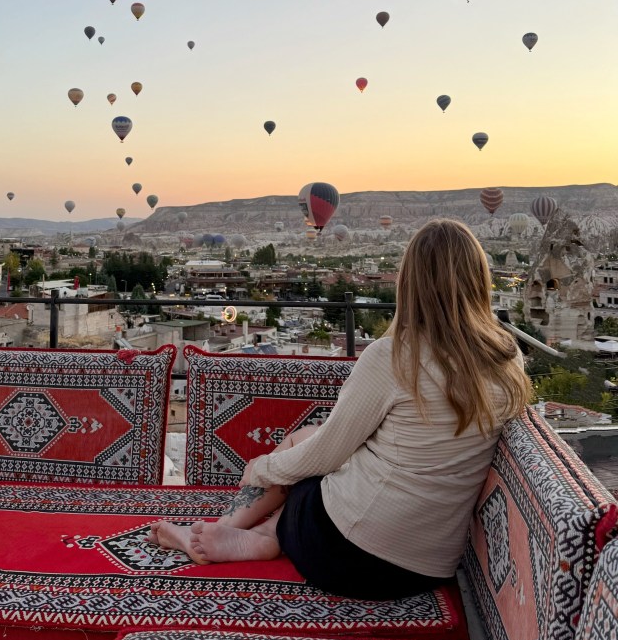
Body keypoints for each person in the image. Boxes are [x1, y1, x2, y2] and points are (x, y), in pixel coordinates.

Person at [150, 218, 532, 600]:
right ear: (479, 280)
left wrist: (262, 467)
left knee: (304, 451)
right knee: (314, 443)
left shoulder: (396, 356)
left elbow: (325, 454)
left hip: (348, 553)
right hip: (426, 567)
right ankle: (261, 535)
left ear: (409, 283)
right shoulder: (506, 358)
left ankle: (217, 533)